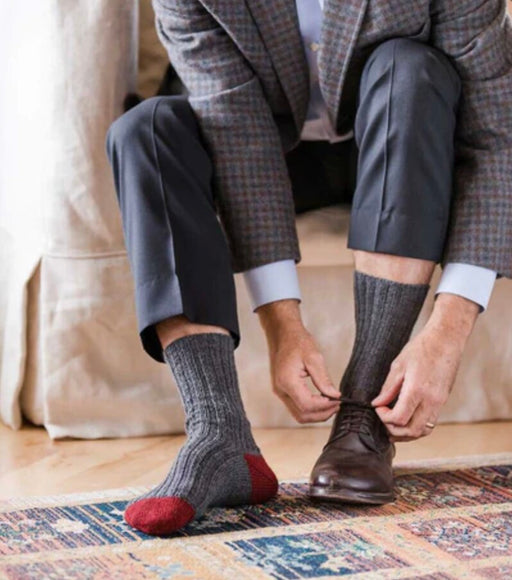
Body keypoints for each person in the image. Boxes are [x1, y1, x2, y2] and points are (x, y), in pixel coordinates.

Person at [105, 0, 512, 536]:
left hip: (403, 143)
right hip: (261, 147)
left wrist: (447, 334)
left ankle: (363, 414)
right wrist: (283, 326)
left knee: (410, 66)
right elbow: (236, 130)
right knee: (145, 129)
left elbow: (496, 135)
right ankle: (218, 434)